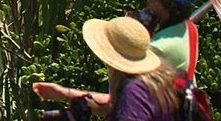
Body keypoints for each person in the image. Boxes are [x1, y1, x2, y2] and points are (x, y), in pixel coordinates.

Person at [32, 15, 183, 119]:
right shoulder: (163, 80)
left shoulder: (134, 92)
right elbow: (119, 106)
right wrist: (66, 94)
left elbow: (132, 106)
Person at [136, 0, 204, 86]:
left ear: (159, 3)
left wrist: (131, 31)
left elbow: (130, 83)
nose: (147, 1)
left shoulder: (157, 48)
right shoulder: (189, 27)